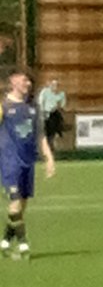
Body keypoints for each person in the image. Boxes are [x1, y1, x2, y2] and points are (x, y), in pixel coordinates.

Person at [0, 69, 56, 258]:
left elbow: (40, 136)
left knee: (22, 205)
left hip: (27, 162)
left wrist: (49, 158)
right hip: (9, 162)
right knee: (15, 202)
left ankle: (5, 242)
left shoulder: (33, 108)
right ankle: (23, 245)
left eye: (29, 81)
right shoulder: (3, 106)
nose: (28, 84)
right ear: (13, 81)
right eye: (24, 80)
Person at [37, 77, 67, 151]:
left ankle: (59, 132)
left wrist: (60, 106)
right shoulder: (45, 91)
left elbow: (63, 103)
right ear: (50, 85)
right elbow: (40, 102)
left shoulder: (61, 94)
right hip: (45, 112)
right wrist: (42, 111)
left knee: (58, 119)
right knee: (46, 129)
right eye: (53, 84)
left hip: (54, 112)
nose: (55, 86)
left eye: (56, 85)